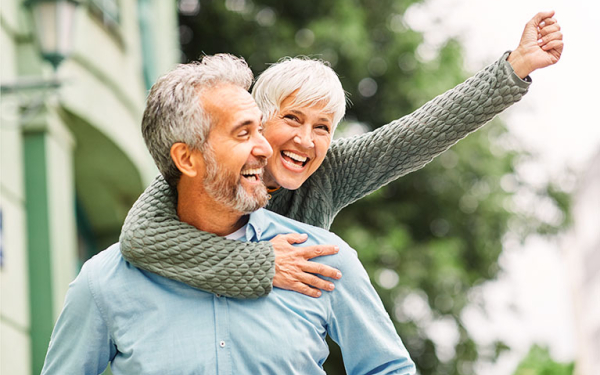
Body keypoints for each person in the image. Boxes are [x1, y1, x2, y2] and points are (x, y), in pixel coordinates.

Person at [120, 11, 564, 298]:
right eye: (292, 119)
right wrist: (265, 262)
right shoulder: (209, 167)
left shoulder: (329, 173)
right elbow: (140, 238)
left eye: (322, 128)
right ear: (257, 117)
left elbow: (419, 133)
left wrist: (515, 68)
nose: (306, 141)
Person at [41, 54, 416, 374]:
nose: (266, 148)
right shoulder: (104, 283)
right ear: (186, 159)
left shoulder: (321, 260)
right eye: (243, 134)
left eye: (261, 130)